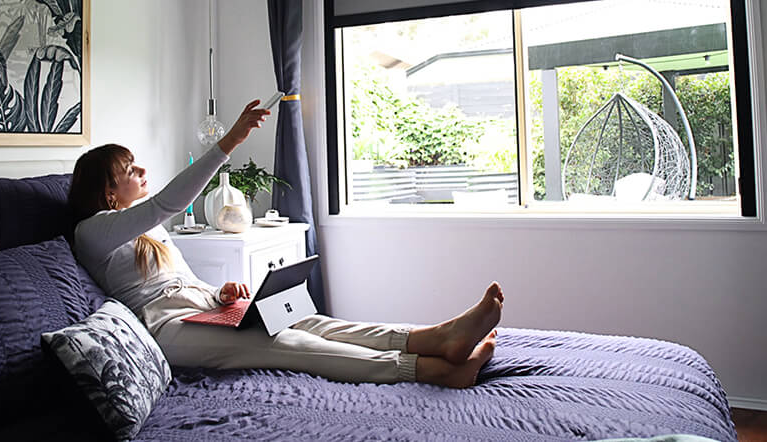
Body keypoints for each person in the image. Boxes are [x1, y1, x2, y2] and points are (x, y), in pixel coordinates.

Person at [70, 99, 504, 388]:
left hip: (205, 307)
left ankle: (434, 337)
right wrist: (230, 141)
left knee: (310, 322)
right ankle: (429, 371)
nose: (141, 170)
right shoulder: (93, 231)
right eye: (129, 168)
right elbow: (167, 203)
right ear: (108, 190)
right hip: (169, 329)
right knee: (282, 344)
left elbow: (179, 276)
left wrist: (221, 293)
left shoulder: (150, 228)